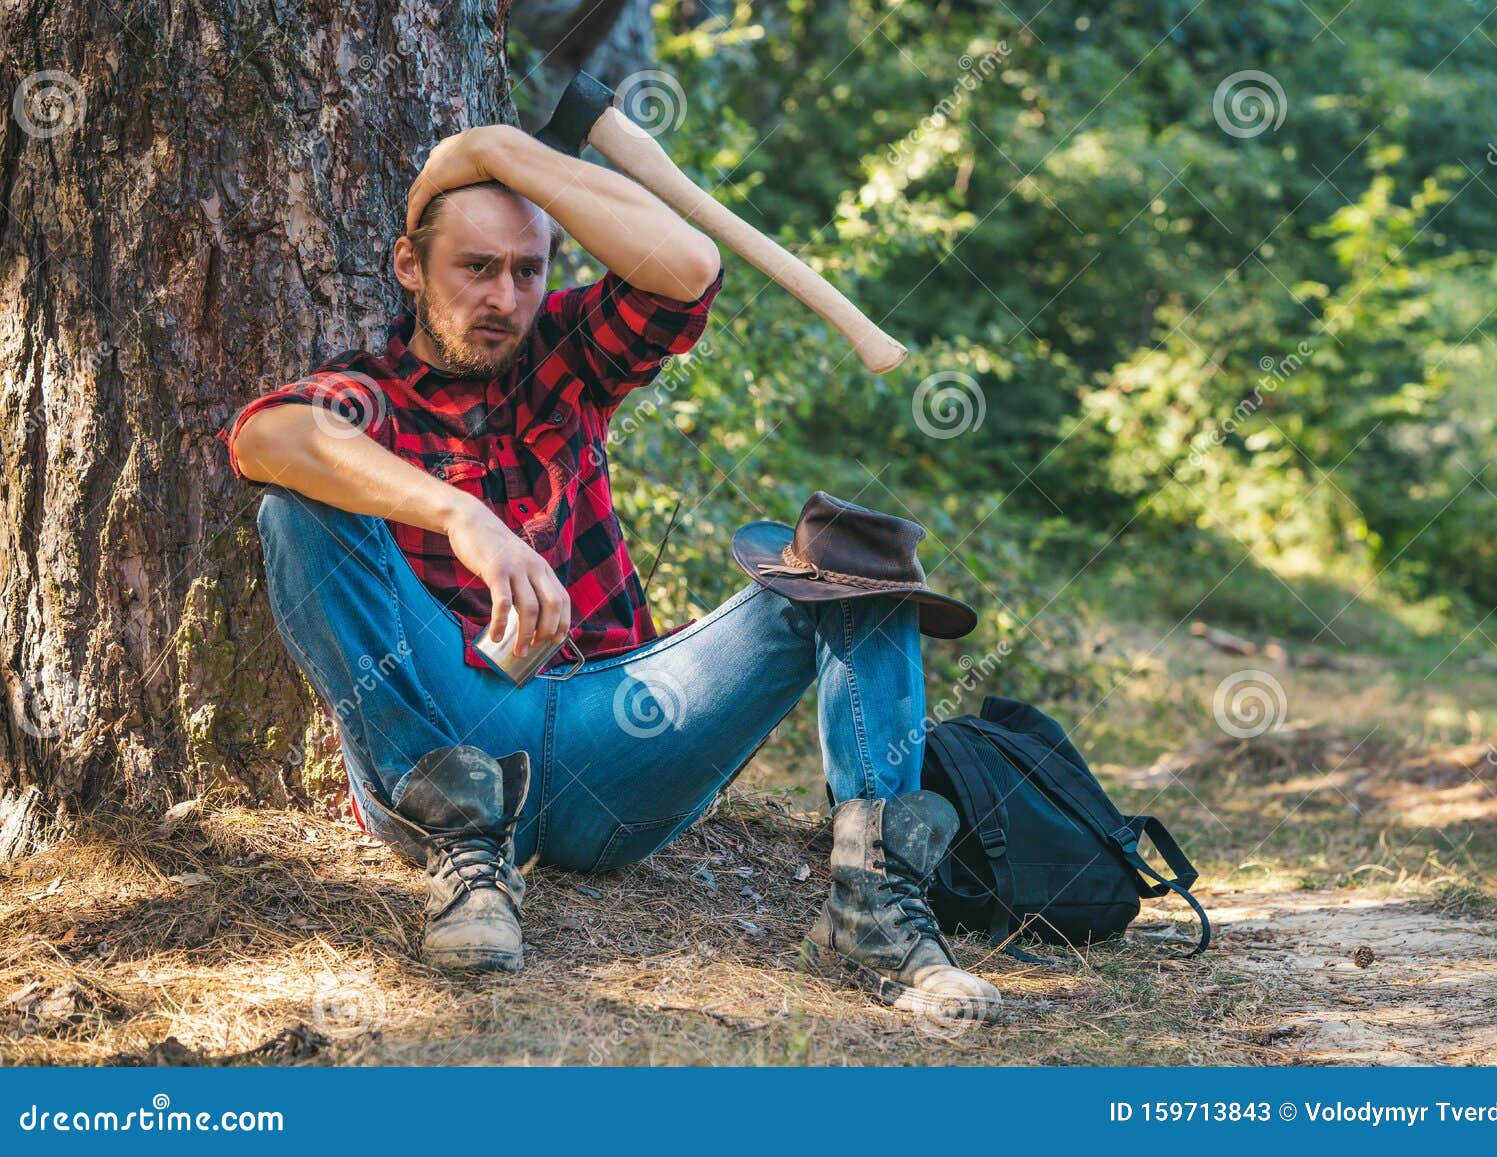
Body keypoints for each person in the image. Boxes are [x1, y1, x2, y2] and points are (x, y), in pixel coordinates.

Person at [216, 124, 1000, 1025]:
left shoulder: (567, 355)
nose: (503, 296)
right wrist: (462, 515)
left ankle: (877, 909)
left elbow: (686, 265)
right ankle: (468, 853)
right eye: (475, 267)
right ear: (407, 265)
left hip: (621, 732)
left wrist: (498, 150)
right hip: (459, 729)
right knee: (295, 508)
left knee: (857, 567)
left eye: (526, 269)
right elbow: (265, 436)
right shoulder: (371, 394)